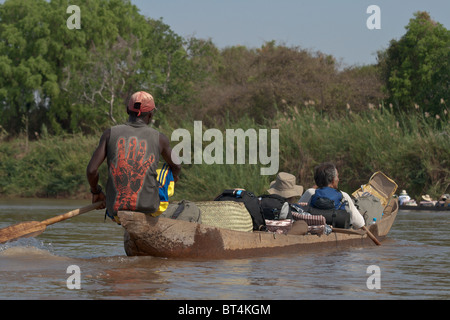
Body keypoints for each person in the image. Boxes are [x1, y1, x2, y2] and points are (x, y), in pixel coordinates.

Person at [86, 91, 181, 222]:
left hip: (116, 212)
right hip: (151, 209)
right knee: (166, 169)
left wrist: (96, 192)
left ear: (127, 110)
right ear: (151, 115)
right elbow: (177, 165)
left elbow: (92, 170)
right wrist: (174, 178)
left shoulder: (109, 134)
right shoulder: (160, 138)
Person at [298, 162, 365, 229]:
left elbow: (297, 214)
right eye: (337, 177)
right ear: (333, 180)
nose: (338, 179)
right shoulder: (343, 196)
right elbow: (360, 223)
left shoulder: (310, 193)